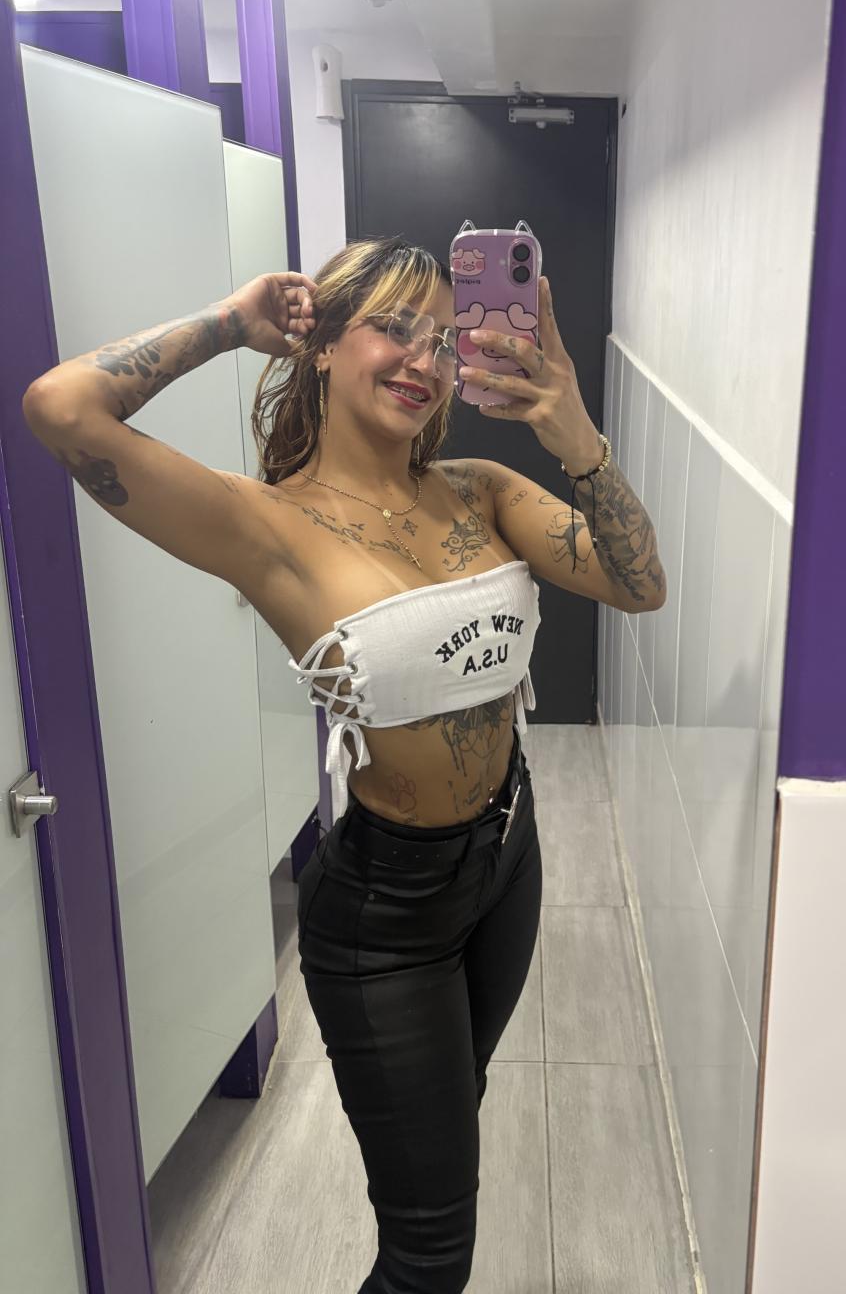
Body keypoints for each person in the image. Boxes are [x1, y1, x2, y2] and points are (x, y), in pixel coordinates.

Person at [22, 234, 664, 1292]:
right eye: (392, 329)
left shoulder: (481, 489)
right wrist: (232, 325)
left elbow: (639, 586)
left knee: (453, 1123)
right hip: (385, 917)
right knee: (429, 1259)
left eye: (442, 340)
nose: (424, 360)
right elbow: (61, 409)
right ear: (321, 343)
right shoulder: (263, 524)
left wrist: (575, 434)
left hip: (508, 856)